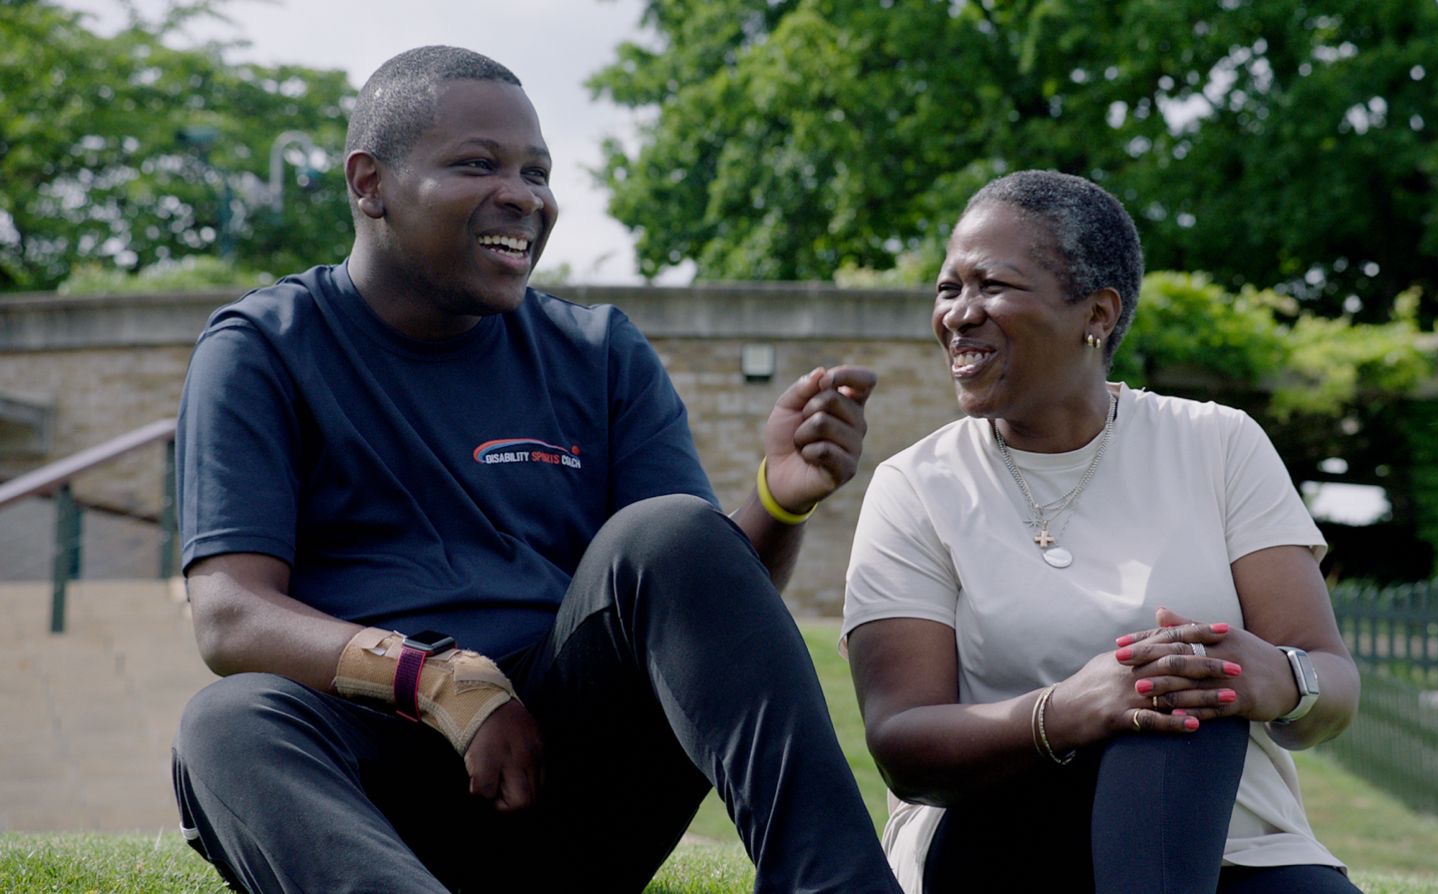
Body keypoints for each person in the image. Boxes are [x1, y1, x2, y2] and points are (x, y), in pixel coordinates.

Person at [170, 45, 900, 894]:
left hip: (567, 776)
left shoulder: (600, 354)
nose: (523, 195)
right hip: (368, 788)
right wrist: (435, 678)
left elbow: (693, 605)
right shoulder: (264, 348)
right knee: (225, 724)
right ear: (368, 183)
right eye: (478, 164)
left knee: (670, 529)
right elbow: (228, 613)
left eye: (537, 172)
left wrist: (776, 501)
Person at [841, 170, 1363, 893]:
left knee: (1188, 682)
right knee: (1166, 686)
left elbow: (1333, 686)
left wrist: (1276, 677)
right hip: (1003, 840)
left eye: (991, 284)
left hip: (1237, 844)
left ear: (1097, 313)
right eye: (947, 288)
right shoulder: (916, 486)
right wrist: (1066, 711)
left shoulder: (1218, 444)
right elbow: (903, 744)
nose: (960, 314)